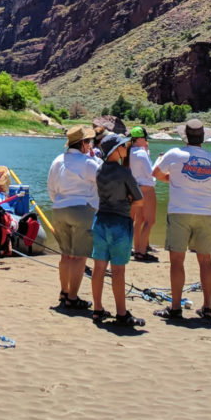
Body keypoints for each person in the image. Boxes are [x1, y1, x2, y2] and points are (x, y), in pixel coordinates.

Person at [151, 117, 211, 322]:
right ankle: (207, 307)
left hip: (180, 211)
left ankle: (175, 308)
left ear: (185, 136)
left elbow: (156, 173)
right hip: (205, 212)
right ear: (202, 137)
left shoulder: (174, 154)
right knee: (205, 261)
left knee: (177, 261)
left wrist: (174, 179)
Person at [89, 133, 145, 328]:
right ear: (116, 150)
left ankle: (97, 309)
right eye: (123, 146)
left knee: (99, 268)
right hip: (119, 223)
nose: (126, 149)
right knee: (118, 271)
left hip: (101, 221)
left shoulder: (99, 171)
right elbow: (139, 200)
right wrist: (129, 202)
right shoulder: (124, 173)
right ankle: (121, 314)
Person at [46, 124, 101, 310]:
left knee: (65, 255)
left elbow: (51, 189)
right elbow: (103, 179)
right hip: (82, 210)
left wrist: (60, 201)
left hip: (59, 209)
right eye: (89, 141)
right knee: (79, 257)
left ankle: (64, 291)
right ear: (84, 144)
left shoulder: (57, 161)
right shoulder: (88, 163)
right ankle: (73, 296)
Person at [128, 126, 158, 261]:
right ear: (140, 138)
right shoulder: (141, 153)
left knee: (138, 219)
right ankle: (141, 251)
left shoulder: (130, 152)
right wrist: (159, 161)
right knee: (150, 221)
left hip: (135, 188)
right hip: (146, 188)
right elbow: (150, 174)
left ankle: (137, 247)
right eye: (145, 138)